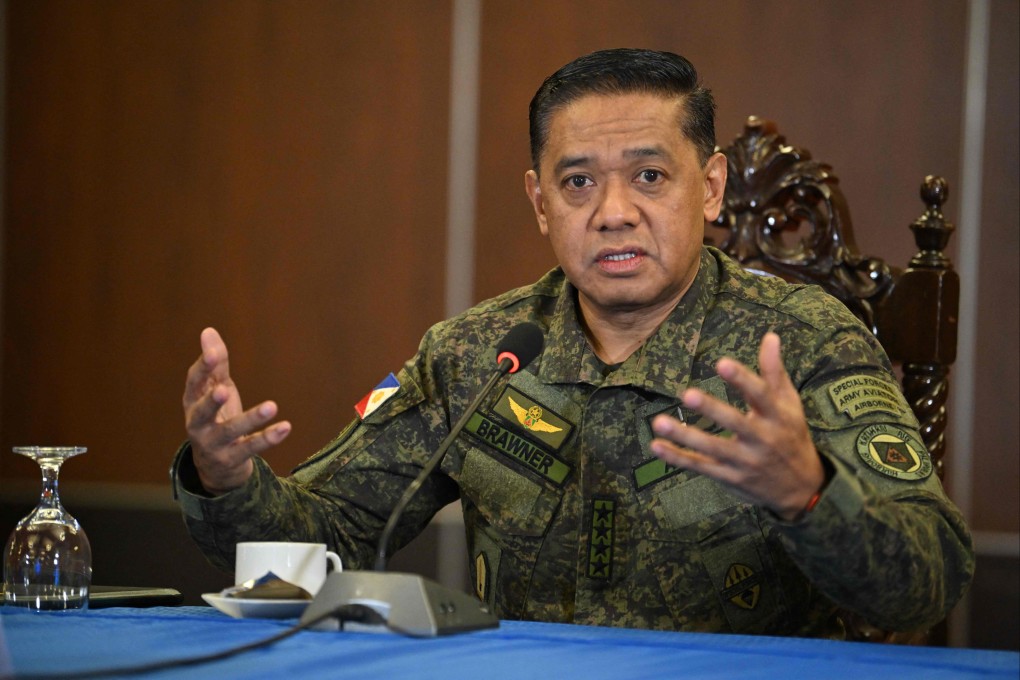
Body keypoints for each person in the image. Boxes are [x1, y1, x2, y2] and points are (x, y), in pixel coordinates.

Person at [173, 48, 973, 637]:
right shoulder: (477, 354)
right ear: (539, 201)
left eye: (650, 177)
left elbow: (930, 580)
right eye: (579, 180)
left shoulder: (799, 343)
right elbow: (321, 542)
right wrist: (225, 479)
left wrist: (810, 493)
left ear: (714, 185)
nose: (614, 211)